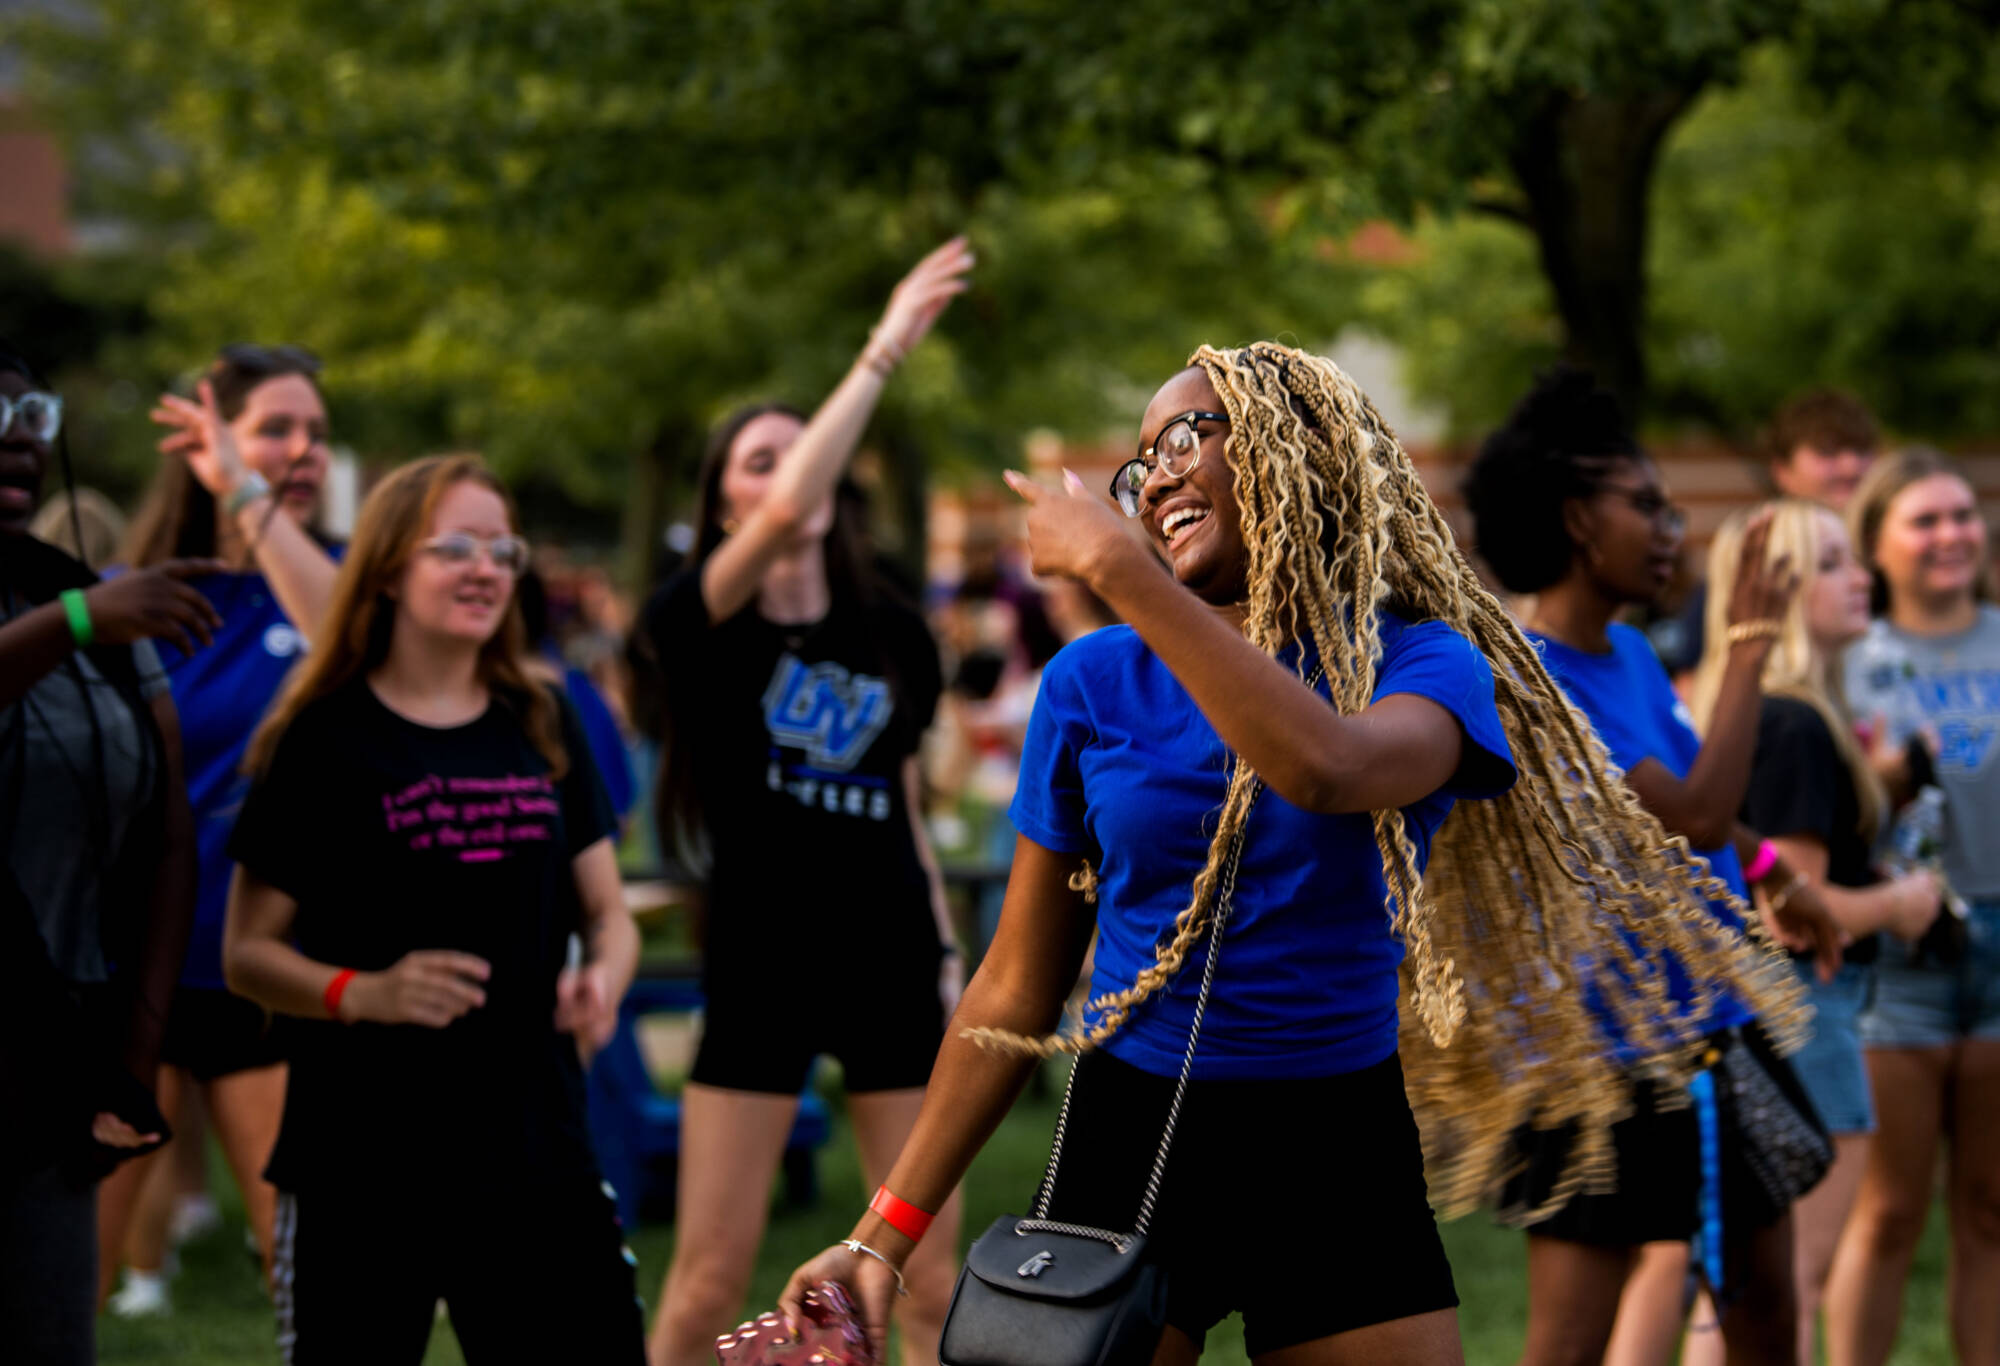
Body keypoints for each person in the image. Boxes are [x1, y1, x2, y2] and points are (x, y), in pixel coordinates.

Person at [779, 341, 1804, 1366]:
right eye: (1139, 464)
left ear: (1294, 448)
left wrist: (1121, 576)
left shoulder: (1421, 658)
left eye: (1186, 433)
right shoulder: (1089, 682)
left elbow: (1328, 769)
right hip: (1133, 1134)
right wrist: (882, 1235)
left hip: (1334, 1144)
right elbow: (1010, 985)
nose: (1155, 476)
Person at [221, 454, 642, 1364]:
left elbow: (610, 914)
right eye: (454, 547)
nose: (486, 568)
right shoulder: (325, 736)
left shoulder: (542, 716)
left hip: (537, 1144)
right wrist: (361, 993)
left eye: (502, 549)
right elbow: (246, 952)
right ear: (386, 570)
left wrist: (603, 977)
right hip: (362, 1161)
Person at [638, 237, 973, 1366]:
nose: (789, 477)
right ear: (728, 503)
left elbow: (905, 806)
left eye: (799, 453)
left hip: (884, 953)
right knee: (707, 1279)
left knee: (926, 1278)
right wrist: (885, 347)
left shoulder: (894, 634)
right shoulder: (697, 622)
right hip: (762, 962)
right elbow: (788, 511)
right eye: (759, 462)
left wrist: (942, 947)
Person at [1463, 367, 1841, 1366]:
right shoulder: (1535, 680)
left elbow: (1715, 819)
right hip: (1598, 1054)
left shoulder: (1628, 654)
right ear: (1576, 520)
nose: (1669, 526)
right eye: (1646, 505)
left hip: (1712, 1028)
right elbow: (1692, 811)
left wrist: (1778, 876)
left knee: (1763, 1306)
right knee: (1570, 1343)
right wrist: (1750, 646)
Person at [96, 344, 344, 1313]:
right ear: (209, 447)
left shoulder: (349, 582)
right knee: (66, 1284)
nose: (304, 450)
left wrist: (251, 495)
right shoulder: (135, 595)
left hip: (267, 969)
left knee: (313, 1282)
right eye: (276, 428)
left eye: (317, 433)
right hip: (131, 973)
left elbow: (344, 642)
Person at [1685, 500, 1941, 1365]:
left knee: (1738, 1293)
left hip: (1767, 1019)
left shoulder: (1776, 710)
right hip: (1808, 1017)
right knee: (1776, 1299)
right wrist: (1902, 903)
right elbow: (1794, 912)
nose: (1860, 574)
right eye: (1832, 562)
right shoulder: (1794, 722)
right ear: (1783, 590)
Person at [0, 346, 217, 1364]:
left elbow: (169, 836)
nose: (19, 433)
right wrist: (82, 619)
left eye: (34, 410)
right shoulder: (90, 610)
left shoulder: (87, 600)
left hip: (53, 1054)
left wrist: (137, 1050)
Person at [1828, 445, 2000, 1366]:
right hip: (1898, 946)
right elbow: (1822, 816)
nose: (1951, 535)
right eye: (1925, 520)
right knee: (1888, 1209)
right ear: (1879, 545)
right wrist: (1888, 775)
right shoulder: (1854, 663)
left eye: (1963, 514)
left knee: (1989, 1209)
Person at [1658, 389, 1880, 675]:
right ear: (1781, 470)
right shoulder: (1752, 558)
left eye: (1862, 452)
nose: (1851, 467)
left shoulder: (1896, 550)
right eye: (1828, 452)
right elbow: (1692, 680)